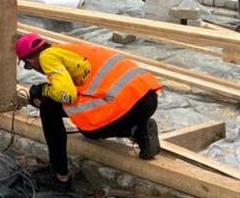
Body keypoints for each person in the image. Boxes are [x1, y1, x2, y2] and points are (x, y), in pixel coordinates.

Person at [16, 33, 162, 184]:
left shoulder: (46, 57)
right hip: (147, 98)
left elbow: (67, 95)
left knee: (50, 108)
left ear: (31, 60)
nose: (32, 69)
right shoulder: (69, 50)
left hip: (124, 105)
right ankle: (140, 131)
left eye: (28, 66)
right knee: (84, 125)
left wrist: (43, 91)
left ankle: (60, 174)